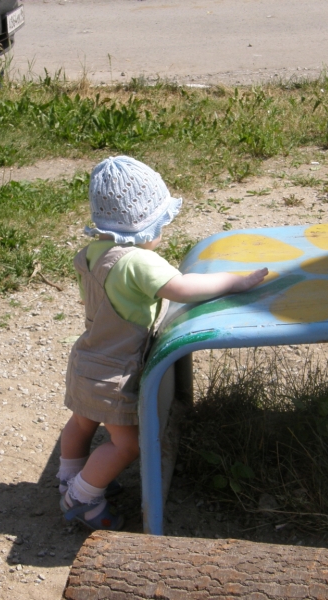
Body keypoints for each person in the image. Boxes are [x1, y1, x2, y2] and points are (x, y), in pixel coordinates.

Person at [58, 156, 267, 530]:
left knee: (81, 423)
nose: (162, 234)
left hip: (87, 358)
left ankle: (69, 477)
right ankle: (82, 496)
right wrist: (236, 282)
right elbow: (183, 288)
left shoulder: (90, 254)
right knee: (127, 445)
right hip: (115, 372)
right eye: (160, 226)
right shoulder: (139, 263)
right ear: (143, 225)